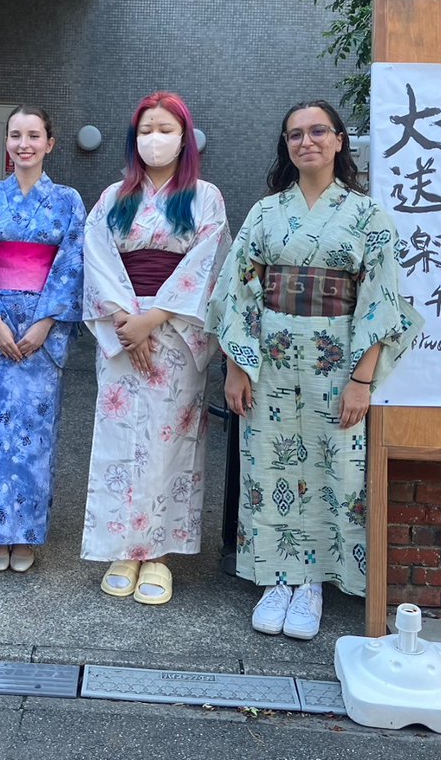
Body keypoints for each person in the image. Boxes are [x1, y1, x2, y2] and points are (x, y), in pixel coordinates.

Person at [208, 100, 422, 640]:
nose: (307, 141)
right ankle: (276, 577)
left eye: (318, 131)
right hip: (270, 359)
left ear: (339, 140)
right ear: (286, 146)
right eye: (295, 134)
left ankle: (313, 585)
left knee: (336, 470)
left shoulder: (367, 217)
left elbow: (379, 304)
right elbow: (238, 294)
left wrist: (362, 380)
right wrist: (236, 368)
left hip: (336, 361)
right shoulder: (265, 213)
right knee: (268, 464)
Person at [80, 91, 230, 605]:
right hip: (123, 328)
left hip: (175, 331)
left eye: (165, 130)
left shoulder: (205, 197)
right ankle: (123, 549)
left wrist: (153, 319)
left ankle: (159, 554)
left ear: (184, 138)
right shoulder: (113, 197)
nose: (155, 139)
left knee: (170, 443)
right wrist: (126, 320)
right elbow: (96, 258)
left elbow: (208, 263)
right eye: (146, 130)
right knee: (120, 439)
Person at [0, 107, 85, 572]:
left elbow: (72, 266)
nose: (23, 144)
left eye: (33, 135)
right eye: (15, 135)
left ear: (50, 143)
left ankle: (24, 533)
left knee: (33, 437)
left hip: (41, 332)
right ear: (7, 142)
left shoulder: (68, 201)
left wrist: (45, 323)